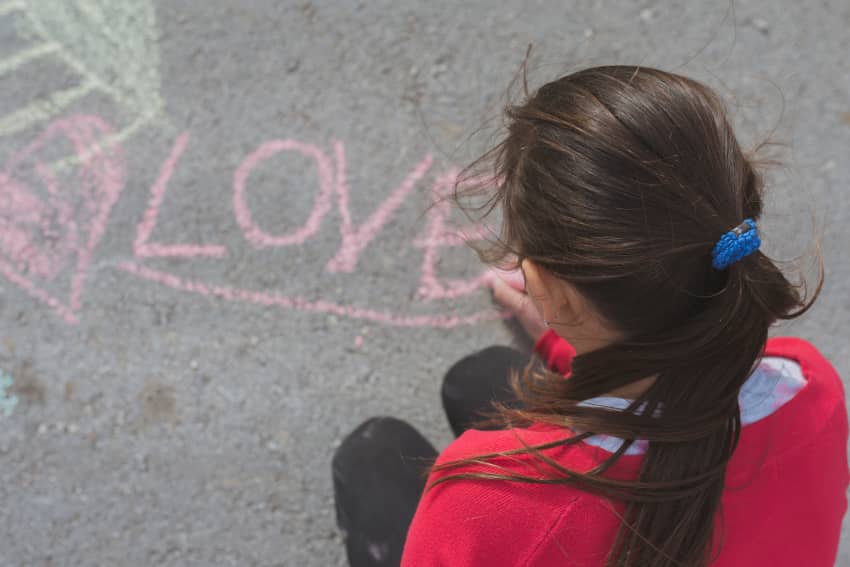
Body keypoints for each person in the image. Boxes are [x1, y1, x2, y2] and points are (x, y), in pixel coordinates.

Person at [331, 65, 849, 567]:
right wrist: (564, 336)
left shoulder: (479, 501)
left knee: (373, 454)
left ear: (558, 295)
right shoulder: (809, 387)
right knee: (477, 378)